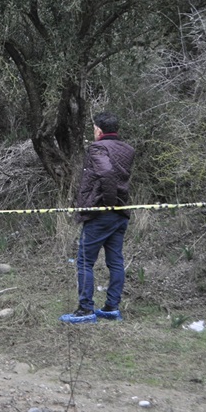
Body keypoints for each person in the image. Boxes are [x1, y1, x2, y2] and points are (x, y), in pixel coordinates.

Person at [60, 112, 135, 324]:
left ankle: (85, 310)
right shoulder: (127, 149)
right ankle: (111, 308)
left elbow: (107, 173)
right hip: (120, 214)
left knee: (84, 261)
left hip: (101, 213)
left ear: (99, 131)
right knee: (115, 261)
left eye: (94, 129)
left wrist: (108, 201)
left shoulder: (98, 148)